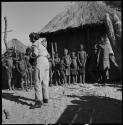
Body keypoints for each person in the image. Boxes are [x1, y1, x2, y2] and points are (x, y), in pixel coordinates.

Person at [29, 35, 50, 109]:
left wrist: (31, 56)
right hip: (46, 62)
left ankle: (38, 102)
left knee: (37, 81)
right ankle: (45, 100)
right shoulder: (42, 43)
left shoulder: (35, 44)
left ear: (33, 38)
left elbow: (35, 54)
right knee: (45, 82)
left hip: (40, 61)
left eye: (30, 38)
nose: (29, 39)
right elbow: (48, 55)